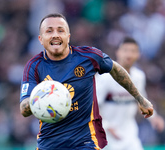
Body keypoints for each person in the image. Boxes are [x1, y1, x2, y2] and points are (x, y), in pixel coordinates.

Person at [19, 13, 153, 150]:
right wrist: (42, 99)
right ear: (40, 39)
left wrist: (140, 98)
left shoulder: (88, 57)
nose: (55, 35)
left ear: (68, 36)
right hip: (49, 143)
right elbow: (24, 108)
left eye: (60, 30)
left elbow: (115, 69)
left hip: (85, 142)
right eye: (49, 31)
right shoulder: (34, 66)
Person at [95, 37, 164, 150]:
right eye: (125, 50)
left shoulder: (138, 77)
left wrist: (154, 118)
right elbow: (93, 105)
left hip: (129, 136)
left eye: (133, 51)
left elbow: (142, 102)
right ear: (118, 52)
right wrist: (106, 126)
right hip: (106, 137)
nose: (129, 54)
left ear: (138, 55)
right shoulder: (105, 77)